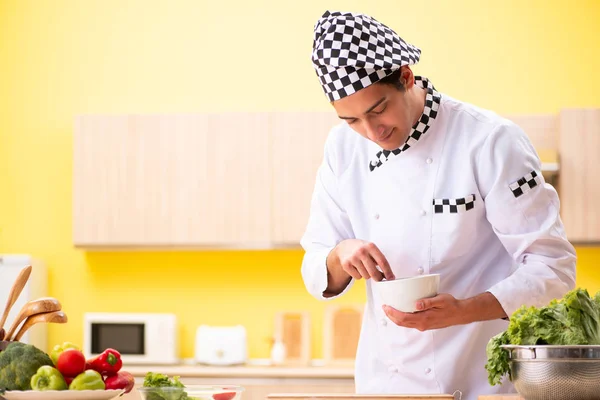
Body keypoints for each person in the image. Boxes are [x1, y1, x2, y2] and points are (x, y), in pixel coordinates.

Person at [300, 10, 577, 400]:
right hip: (384, 387)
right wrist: (340, 255)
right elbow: (315, 263)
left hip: (481, 385)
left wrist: (462, 311)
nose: (371, 132)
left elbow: (554, 268)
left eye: (378, 110)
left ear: (406, 77)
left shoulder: (489, 141)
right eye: (352, 120)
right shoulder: (342, 148)